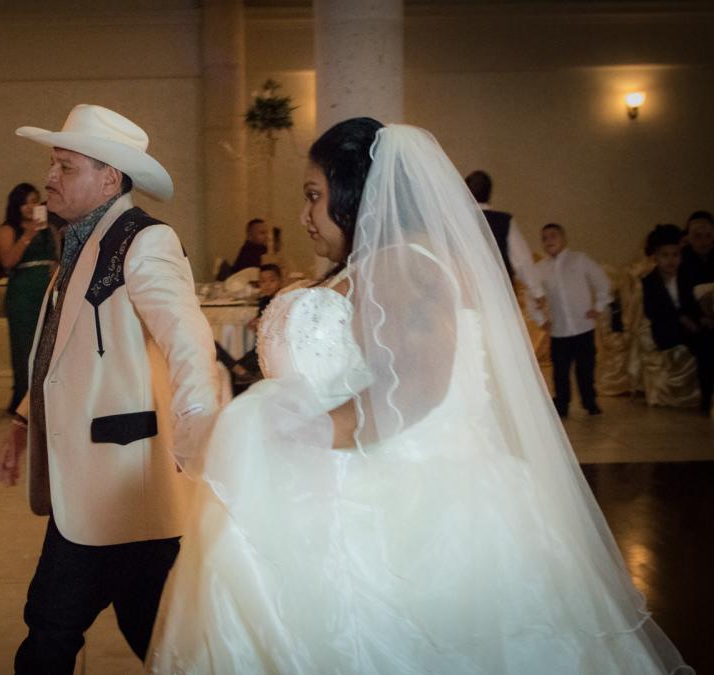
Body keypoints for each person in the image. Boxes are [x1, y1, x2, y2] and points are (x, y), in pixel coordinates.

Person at [150, 119, 689, 674]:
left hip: (400, 506)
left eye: (314, 195)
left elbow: (414, 386)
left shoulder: (402, 263)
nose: (305, 214)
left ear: (355, 192)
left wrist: (288, 431)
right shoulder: (384, 262)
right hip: (357, 478)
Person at [0, 104, 219, 675]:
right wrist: (23, 419)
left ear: (110, 179)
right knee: (151, 632)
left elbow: (190, 341)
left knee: (53, 628)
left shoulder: (145, 241)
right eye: (53, 164)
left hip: (122, 478)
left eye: (65, 166)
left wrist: (197, 440)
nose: (49, 178)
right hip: (108, 489)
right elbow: (60, 354)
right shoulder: (82, 241)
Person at [536, 223, 612, 417]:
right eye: (544, 238)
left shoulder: (579, 259)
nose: (549, 240)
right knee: (560, 370)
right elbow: (532, 296)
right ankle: (562, 403)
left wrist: (599, 307)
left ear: (564, 238)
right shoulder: (540, 269)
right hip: (559, 331)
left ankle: (589, 401)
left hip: (583, 327)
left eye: (553, 235)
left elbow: (602, 281)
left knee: (585, 368)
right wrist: (540, 319)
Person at [0, 182, 58, 414]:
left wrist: (56, 267)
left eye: (35, 201)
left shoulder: (49, 228)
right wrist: (28, 235)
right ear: (17, 205)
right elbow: (7, 261)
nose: (31, 207)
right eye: (26, 202)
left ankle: (45, 398)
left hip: (46, 290)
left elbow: (57, 255)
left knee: (47, 345)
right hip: (22, 293)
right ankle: (23, 400)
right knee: (24, 346)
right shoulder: (8, 229)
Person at [642, 224, 713, 414]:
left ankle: (707, 394)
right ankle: (706, 399)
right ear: (656, 257)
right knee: (703, 342)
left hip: (689, 325)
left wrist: (702, 317)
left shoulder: (684, 277)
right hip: (666, 329)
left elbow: (691, 303)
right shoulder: (649, 282)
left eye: (675, 255)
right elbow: (653, 311)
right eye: (665, 255)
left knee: (707, 340)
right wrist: (681, 318)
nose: (670, 260)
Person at [465, 170, 546, 311]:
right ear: (489, 194)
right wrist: (537, 291)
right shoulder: (504, 221)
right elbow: (522, 260)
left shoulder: (457, 222)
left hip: (467, 292)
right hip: (499, 291)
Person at [214, 263, 281, 393]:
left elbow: (278, 326)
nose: (267, 284)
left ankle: (243, 373)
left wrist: (262, 323)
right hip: (259, 349)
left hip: (270, 351)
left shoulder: (280, 300)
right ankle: (242, 373)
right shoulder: (264, 301)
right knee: (226, 364)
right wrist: (257, 322)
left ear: (280, 280)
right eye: (263, 281)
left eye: (272, 280)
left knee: (227, 364)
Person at [681, 210, 714, 285]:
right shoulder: (679, 259)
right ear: (688, 237)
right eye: (697, 236)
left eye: (708, 235)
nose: (703, 241)